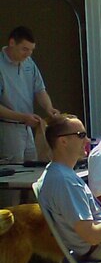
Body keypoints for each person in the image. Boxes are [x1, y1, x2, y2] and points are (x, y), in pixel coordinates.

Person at [34, 115, 101, 260]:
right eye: (81, 135)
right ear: (63, 141)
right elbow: (92, 235)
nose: (87, 140)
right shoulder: (64, 182)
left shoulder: (59, 173)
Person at [0, 26, 59, 162]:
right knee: (14, 173)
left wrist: (49, 108)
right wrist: (22, 117)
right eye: (25, 49)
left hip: (28, 128)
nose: (28, 54)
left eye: (31, 50)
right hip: (7, 129)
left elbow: (39, 90)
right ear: (12, 43)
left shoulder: (29, 63)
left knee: (32, 168)